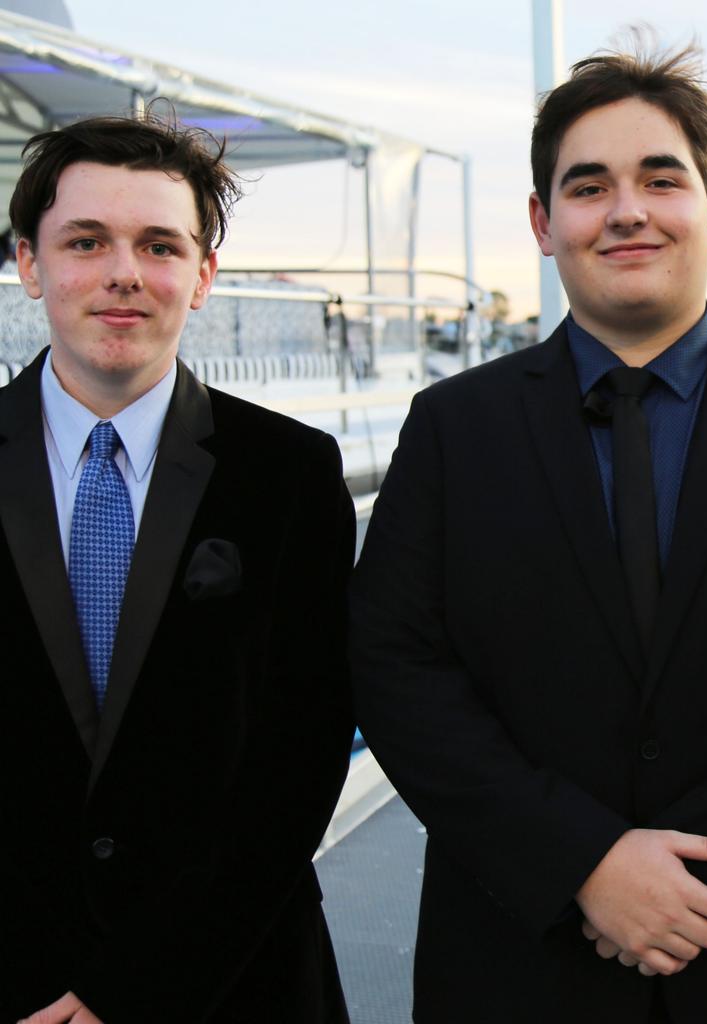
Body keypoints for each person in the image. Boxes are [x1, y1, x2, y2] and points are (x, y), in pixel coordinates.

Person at [350, 38, 707, 1024]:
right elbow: (394, 666)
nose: (626, 209)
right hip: (517, 959)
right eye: (589, 186)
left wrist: (697, 881)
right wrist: (579, 860)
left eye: (660, 179)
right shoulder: (455, 427)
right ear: (544, 223)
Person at [0, 112, 354, 1024]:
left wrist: (135, 988)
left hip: (234, 980)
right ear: (30, 263)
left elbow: (300, 758)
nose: (124, 270)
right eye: (86, 240)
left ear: (201, 277)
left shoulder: (289, 474)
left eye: (159, 244)